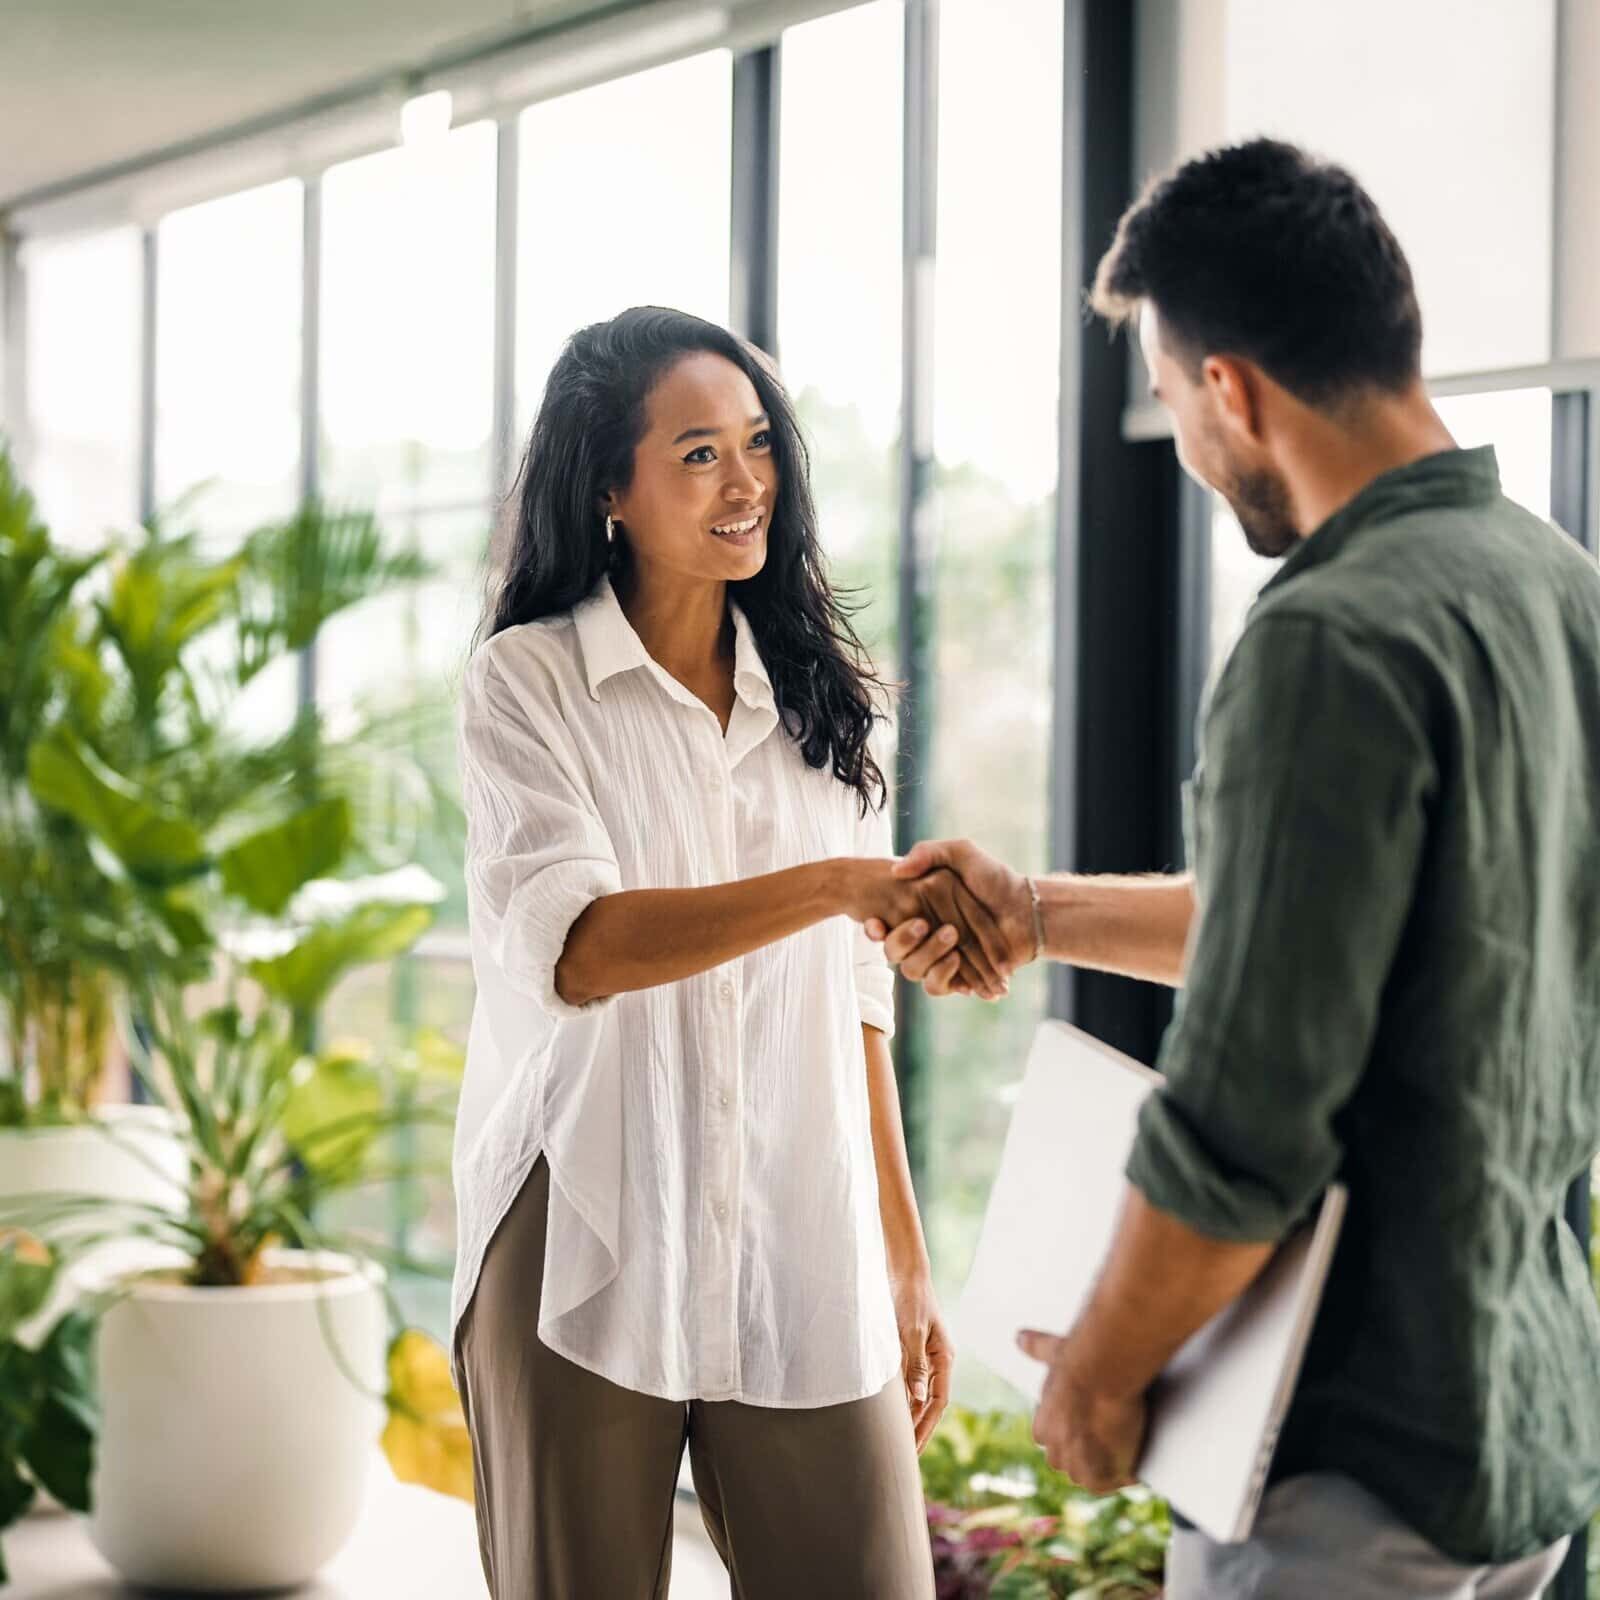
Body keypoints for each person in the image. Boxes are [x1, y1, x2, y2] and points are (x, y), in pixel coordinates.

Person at [869, 138, 1600, 1597]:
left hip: (1345, 1449)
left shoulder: (1329, 634)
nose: (1190, 459)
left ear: (1230, 391)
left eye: (1167, 403)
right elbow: (1336, 935)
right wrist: (1037, 913)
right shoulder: (1557, 587)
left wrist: (1097, 1377)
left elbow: (1250, 1120)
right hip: (1521, 1432)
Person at [450, 305, 1011, 1599]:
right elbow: (578, 949)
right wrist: (831, 885)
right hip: (582, 1223)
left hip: (801, 1218)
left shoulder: (836, 698)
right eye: (698, 452)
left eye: (756, 444)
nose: (746, 480)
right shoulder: (524, 685)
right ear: (608, 486)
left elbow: (857, 991)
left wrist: (904, 1247)